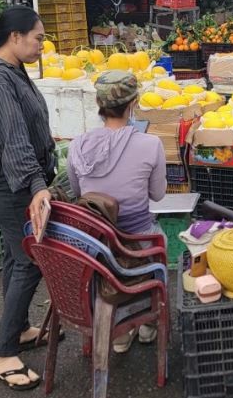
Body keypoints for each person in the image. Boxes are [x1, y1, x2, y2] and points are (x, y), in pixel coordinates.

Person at [0, 6, 56, 392]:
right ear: (14, 37)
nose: (41, 45)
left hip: (10, 178)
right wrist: (37, 186)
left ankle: (18, 330)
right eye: (37, 37)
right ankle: (3, 353)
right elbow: (14, 140)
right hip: (7, 182)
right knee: (31, 257)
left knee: (14, 253)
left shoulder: (8, 70)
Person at [66, 70, 167, 352]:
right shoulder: (150, 144)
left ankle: (120, 331)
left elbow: (78, 194)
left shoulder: (77, 146)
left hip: (94, 245)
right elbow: (157, 195)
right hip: (137, 242)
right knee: (162, 241)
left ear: (99, 105)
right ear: (133, 104)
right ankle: (148, 322)